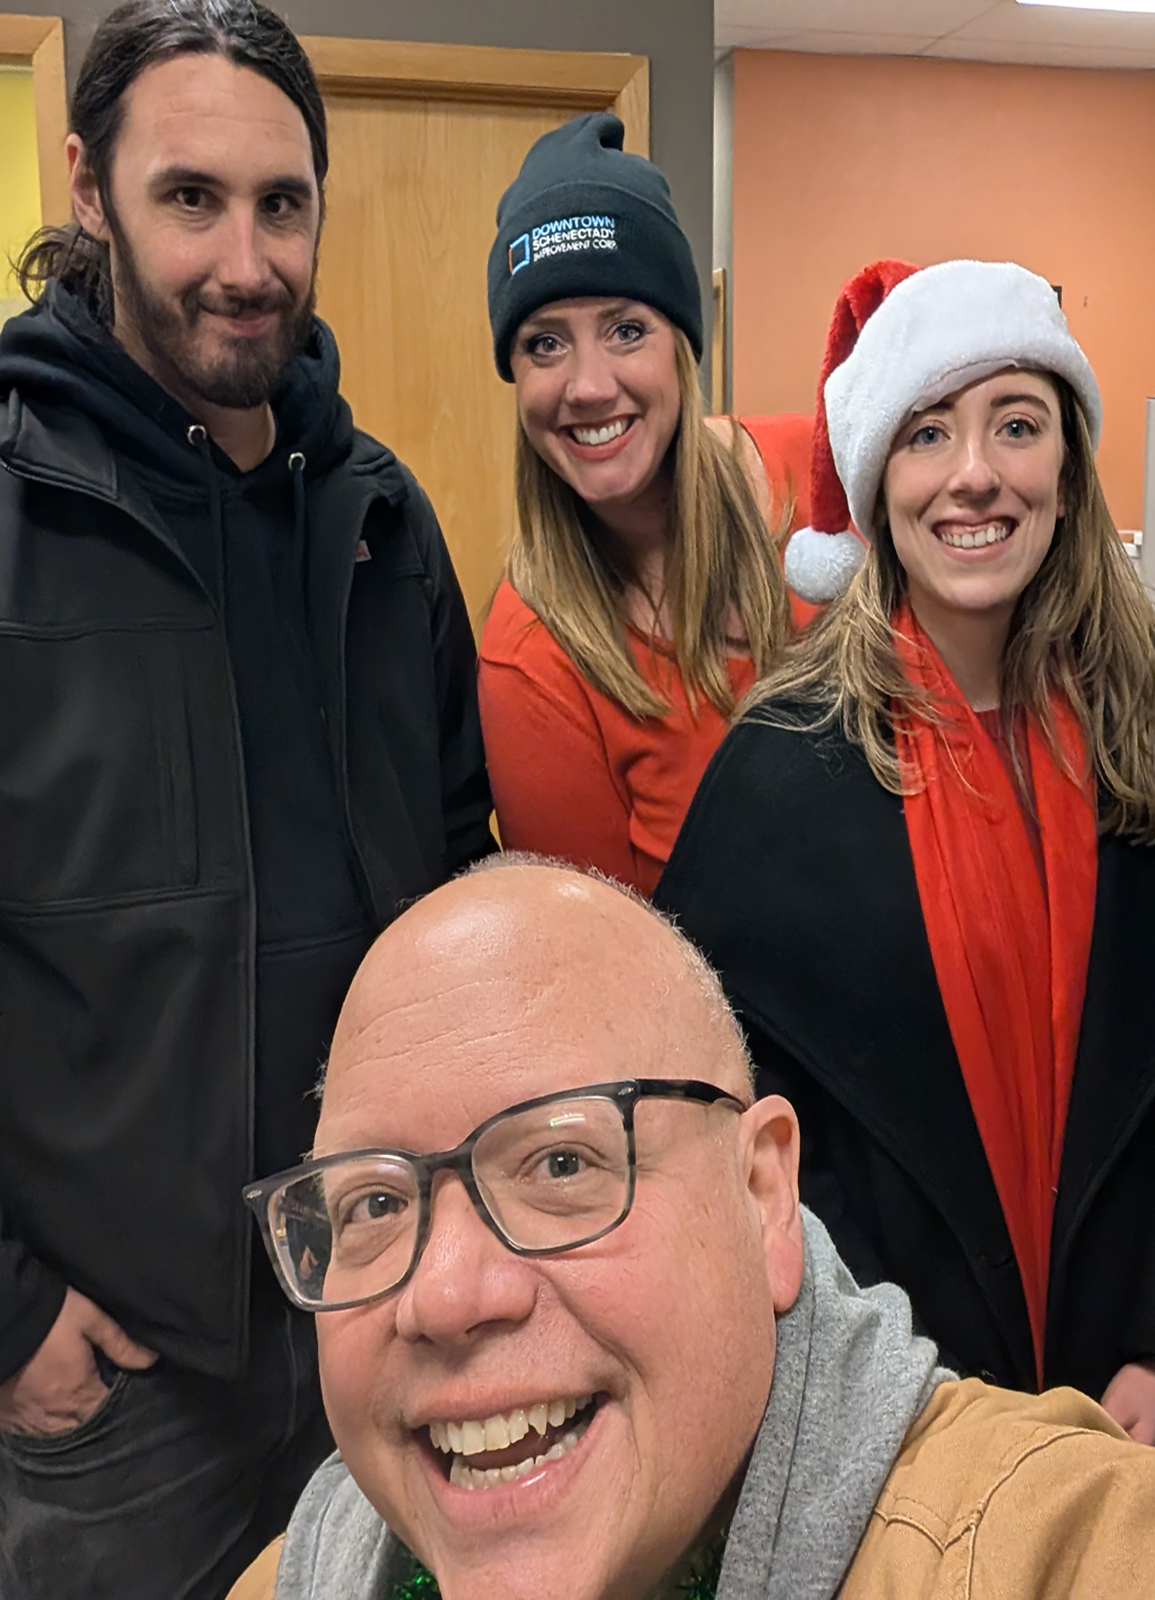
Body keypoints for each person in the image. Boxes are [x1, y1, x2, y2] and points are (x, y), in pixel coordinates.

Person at [228, 858, 1155, 1600]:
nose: (444, 1292)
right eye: (370, 1206)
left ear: (766, 1194)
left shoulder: (1042, 1552)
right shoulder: (302, 1575)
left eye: (564, 1163)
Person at [0, 3, 493, 1595]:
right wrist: (15, 1322)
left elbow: (461, 885)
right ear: (89, 187)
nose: (246, 260)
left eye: (284, 204)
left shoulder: (381, 523)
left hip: (382, 1326)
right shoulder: (17, 511)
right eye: (191, 198)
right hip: (120, 1410)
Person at [654, 259, 1155, 1448]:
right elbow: (740, 1134)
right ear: (879, 482)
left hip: (1140, 1409)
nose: (974, 473)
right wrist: (903, 1392)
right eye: (928, 433)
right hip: (893, 1421)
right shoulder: (779, 773)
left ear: (1067, 469)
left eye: (1015, 425)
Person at [476, 113, 802, 896]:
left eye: (626, 330)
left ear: (682, 345)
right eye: (545, 343)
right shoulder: (533, 657)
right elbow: (605, 969)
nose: (588, 386)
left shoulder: (819, 484)